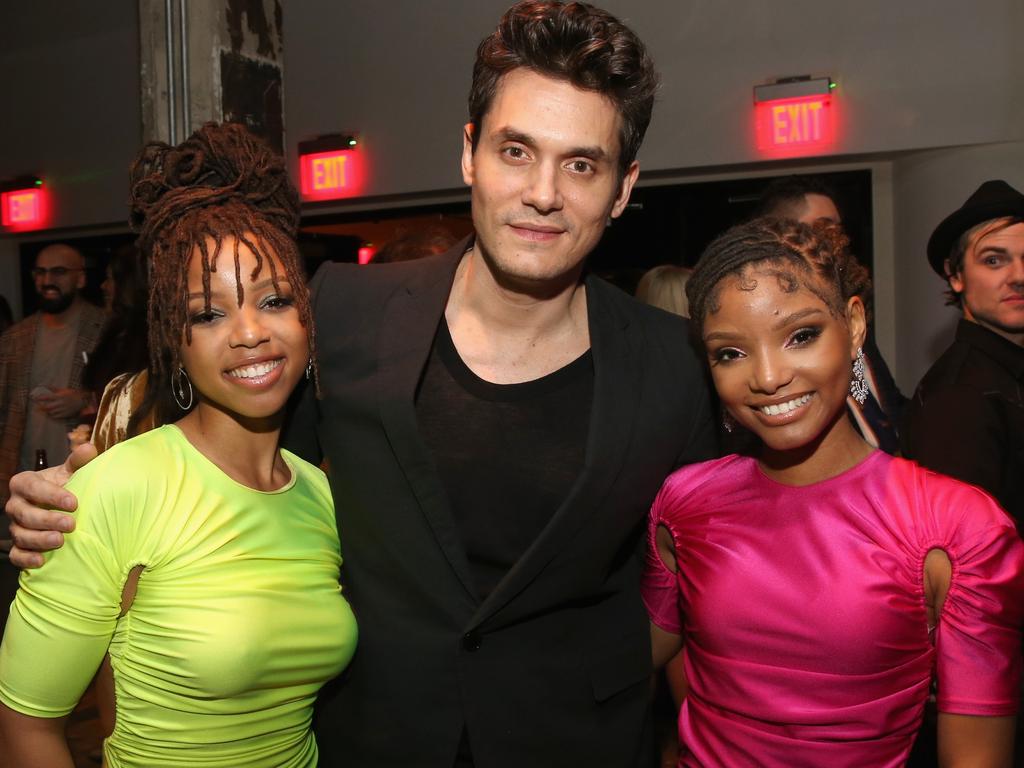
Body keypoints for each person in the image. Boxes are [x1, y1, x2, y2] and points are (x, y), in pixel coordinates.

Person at [6, 3, 717, 766]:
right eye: (517, 150)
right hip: (373, 742)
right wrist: (88, 492)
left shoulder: (677, 364)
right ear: (470, 153)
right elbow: (241, 473)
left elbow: (701, 570)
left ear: (622, 185)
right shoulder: (346, 311)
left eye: (582, 163)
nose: (543, 192)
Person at [0, 122, 357, 768]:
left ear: (306, 314)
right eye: (209, 313)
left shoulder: (322, 493)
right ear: (174, 341)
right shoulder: (118, 486)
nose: (250, 334)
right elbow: (25, 728)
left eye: (274, 299)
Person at [642, 218, 1024, 766]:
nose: (769, 377)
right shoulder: (684, 502)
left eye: (801, 336)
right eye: (731, 353)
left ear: (853, 322)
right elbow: (623, 663)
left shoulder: (957, 527)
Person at [902, 179, 1024, 525]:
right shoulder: (959, 399)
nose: (1019, 276)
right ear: (955, 275)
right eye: (994, 260)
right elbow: (963, 560)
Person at [756, 174, 906, 453]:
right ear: (781, 236)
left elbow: (880, 399)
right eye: (825, 228)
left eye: (839, 228)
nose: (839, 239)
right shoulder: (773, 330)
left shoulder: (850, 315)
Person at [0, 244, 106, 502]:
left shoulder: (107, 329)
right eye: (40, 272)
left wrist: (84, 400)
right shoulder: (15, 337)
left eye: (58, 272)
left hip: (85, 478)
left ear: (80, 278)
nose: (47, 281)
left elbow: (133, 396)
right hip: (23, 479)